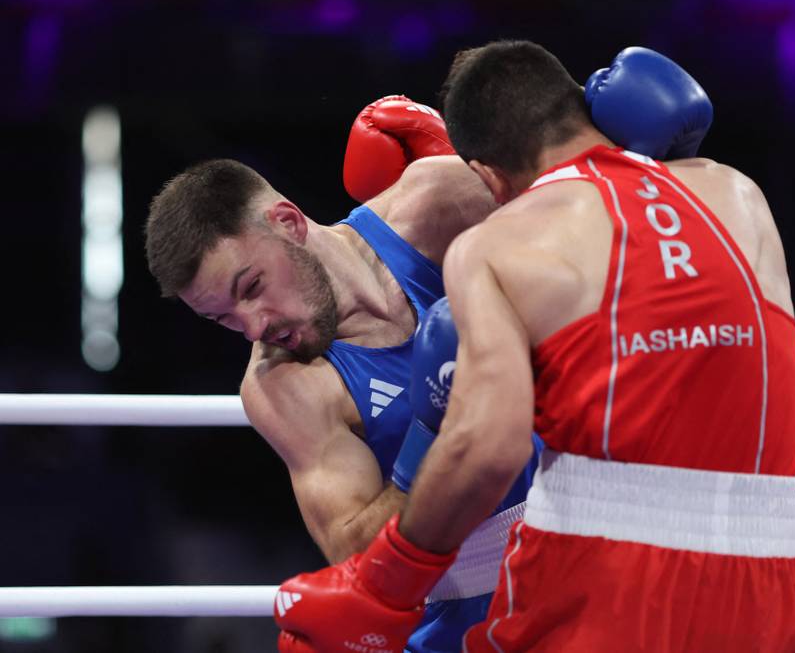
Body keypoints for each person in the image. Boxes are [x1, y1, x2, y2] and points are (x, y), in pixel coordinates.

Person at [145, 50, 714, 652]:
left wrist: (640, 160)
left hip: (600, 564)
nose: (254, 327)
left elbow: (609, 239)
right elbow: (354, 550)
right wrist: (433, 431)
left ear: (287, 222)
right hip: (462, 623)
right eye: (222, 319)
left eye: (251, 288)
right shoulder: (282, 386)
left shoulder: (435, 204)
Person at [273, 40, 795, 653]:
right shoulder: (738, 193)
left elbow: (490, 451)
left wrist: (384, 584)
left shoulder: (497, 245)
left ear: (486, 174)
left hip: (605, 578)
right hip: (771, 574)